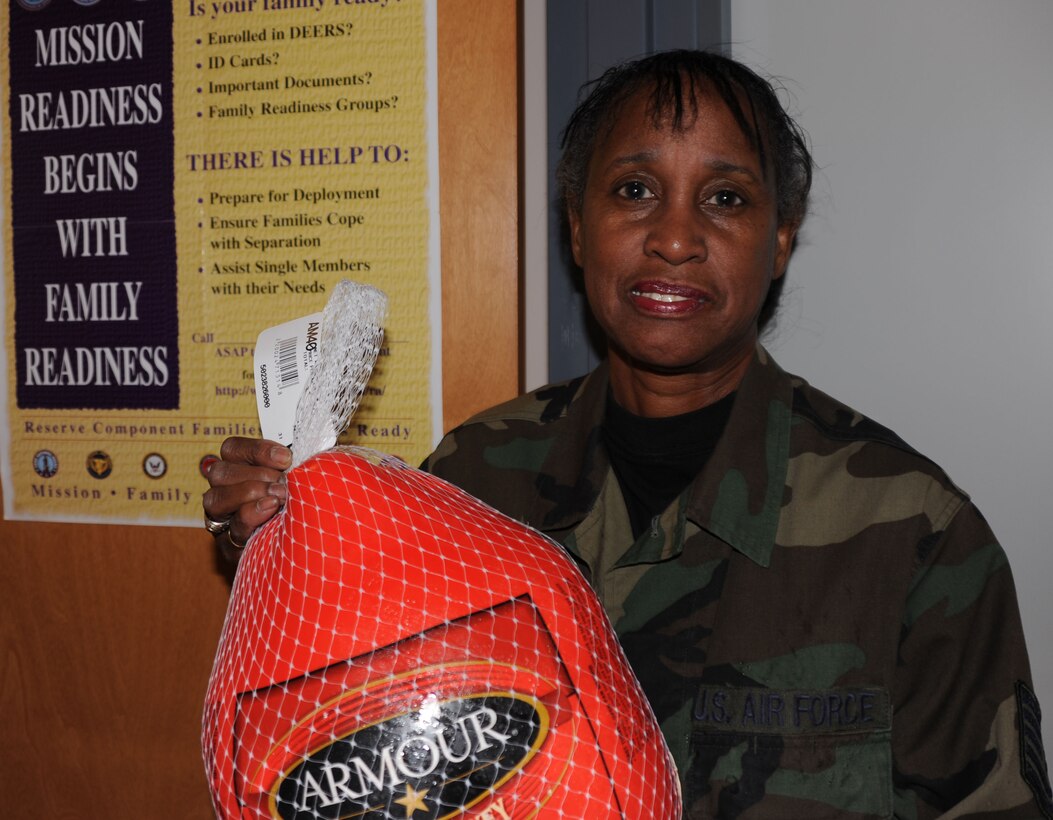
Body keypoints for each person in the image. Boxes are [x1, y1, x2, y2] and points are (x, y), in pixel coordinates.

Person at [204, 50, 1052, 819]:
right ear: (576, 226)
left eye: (724, 198)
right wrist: (281, 541)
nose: (675, 239)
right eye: (634, 190)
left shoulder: (914, 534)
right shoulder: (470, 477)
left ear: (780, 240)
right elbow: (364, 734)